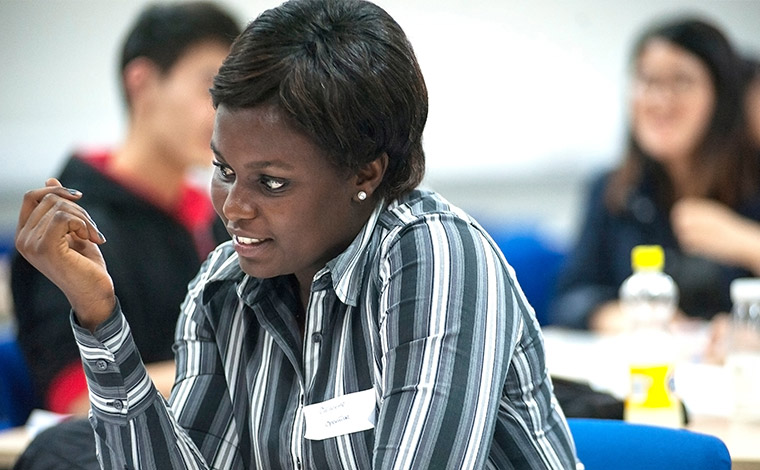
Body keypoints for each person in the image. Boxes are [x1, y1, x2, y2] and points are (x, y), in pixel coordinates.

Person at [14, 0, 579, 468]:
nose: (233, 208)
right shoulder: (222, 287)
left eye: (272, 182)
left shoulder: (436, 256)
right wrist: (99, 316)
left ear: (365, 172)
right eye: (224, 170)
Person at [10, 0, 240, 417]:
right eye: (210, 86)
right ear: (142, 83)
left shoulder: (219, 216)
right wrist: (238, 371)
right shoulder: (65, 224)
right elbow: (78, 398)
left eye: (233, 93)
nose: (224, 110)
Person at [550, 17, 760, 332]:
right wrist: (615, 315)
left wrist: (746, 242)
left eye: (682, 82)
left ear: (721, 98)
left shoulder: (752, 184)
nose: (660, 100)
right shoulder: (614, 190)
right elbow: (569, 298)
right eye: (648, 81)